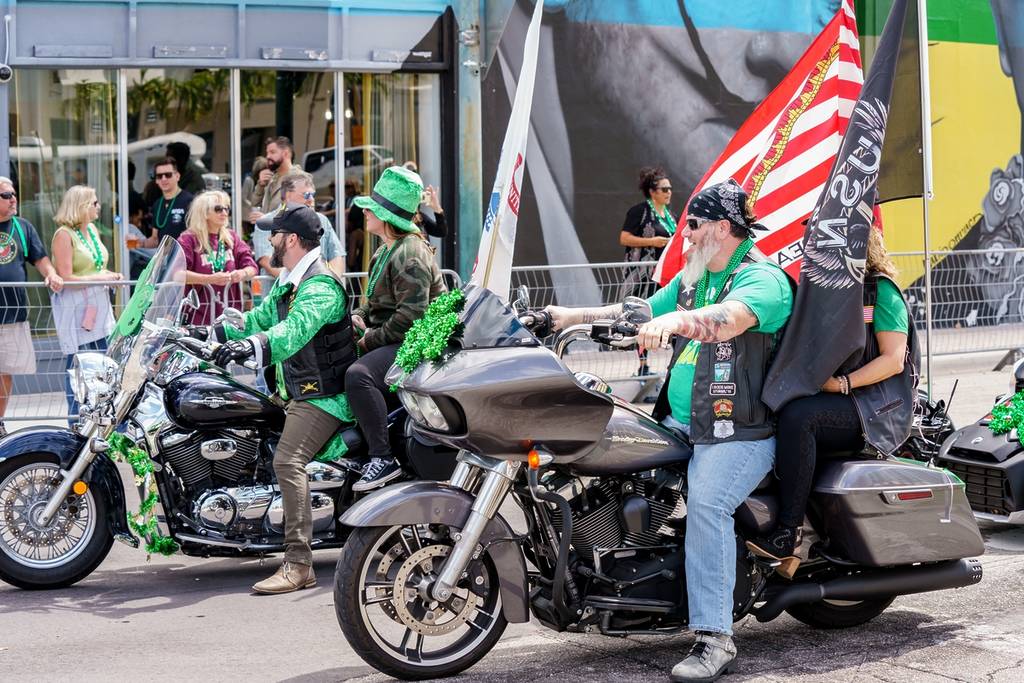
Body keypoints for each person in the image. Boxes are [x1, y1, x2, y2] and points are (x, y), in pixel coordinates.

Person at [544, 180, 793, 683]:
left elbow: (726, 322)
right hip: (685, 422)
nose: (686, 235)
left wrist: (679, 322)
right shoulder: (695, 280)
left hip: (739, 432)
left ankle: (715, 638)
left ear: (722, 228)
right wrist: (563, 315)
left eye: (693, 225)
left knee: (707, 503)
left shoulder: (763, 279)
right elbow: (637, 310)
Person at [191, 204, 357, 594]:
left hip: (323, 397)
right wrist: (211, 332)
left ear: (293, 240)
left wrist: (252, 345)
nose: (270, 240)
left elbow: (292, 332)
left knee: (288, 460)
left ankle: (299, 564)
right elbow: (260, 319)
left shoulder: (320, 286)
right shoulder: (289, 281)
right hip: (294, 391)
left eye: (275, 234)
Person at [747, 225, 917, 574]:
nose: (810, 247)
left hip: (875, 406)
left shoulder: (880, 291)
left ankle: (788, 535)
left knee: (800, 417)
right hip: (841, 398)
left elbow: (894, 359)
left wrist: (842, 383)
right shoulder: (821, 293)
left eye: (821, 241)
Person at [347, 166, 446, 491]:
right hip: (401, 336)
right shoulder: (385, 249)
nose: (364, 211)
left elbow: (411, 318)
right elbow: (375, 302)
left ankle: (382, 458)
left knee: (358, 376)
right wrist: (358, 316)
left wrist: (367, 340)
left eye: (372, 208)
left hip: (419, 343)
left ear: (387, 216)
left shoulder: (410, 253)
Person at [51, 186, 123, 422]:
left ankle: (100, 421)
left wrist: (111, 275)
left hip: (98, 310)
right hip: (76, 312)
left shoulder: (91, 230)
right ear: (81, 206)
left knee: (102, 365)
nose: (98, 207)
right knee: (78, 369)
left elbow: (96, 268)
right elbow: (66, 278)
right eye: (93, 203)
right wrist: (102, 278)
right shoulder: (63, 234)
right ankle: (76, 421)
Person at [0, 177, 63, 436]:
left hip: (13, 315)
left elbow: (40, 258)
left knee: (5, 374)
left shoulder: (22, 227)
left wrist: (51, 274)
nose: (14, 198)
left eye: (14, 193)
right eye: (6, 195)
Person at [178, 191, 257, 325]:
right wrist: (209, 279)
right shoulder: (188, 239)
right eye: (218, 209)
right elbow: (177, 274)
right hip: (197, 317)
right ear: (204, 212)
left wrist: (242, 273)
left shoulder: (231, 237)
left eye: (227, 208)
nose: (224, 212)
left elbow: (252, 267)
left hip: (230, 317)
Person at [253, 172, 346, 276]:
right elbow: (267, 261)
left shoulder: (322, 220)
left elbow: (337, 255)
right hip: (283, 289)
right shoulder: (266, 222)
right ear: (288, 196)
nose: (311, 200)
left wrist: (329, 283)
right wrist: (299, 283)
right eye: (306, 195)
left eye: (313, 195)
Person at [620, 166, 674, 299]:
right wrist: (651, 242)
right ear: (652, 192)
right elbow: (624, 238)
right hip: (640, 273)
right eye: (665, 189)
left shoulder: (671, 216)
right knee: (636, 306)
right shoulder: (639, 211)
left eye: (670, 189)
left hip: (662, 272)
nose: (669, 193)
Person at [144, 157, 194, 247]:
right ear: (156, 180)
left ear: (177, 176)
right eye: (159, 176)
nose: (163, 179)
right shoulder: (157, 204)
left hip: (184, 257)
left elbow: (195, 235)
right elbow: (155, 239)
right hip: (164, 258)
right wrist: (139, 243)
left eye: (168, 175)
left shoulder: (190, 201)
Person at [249, 136, 302, 220]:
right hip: (267, 232)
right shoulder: (272, 178)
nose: (268, 156)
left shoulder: (299, 179)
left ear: (286, 153)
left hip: (287, 232)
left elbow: (298, 213)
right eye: (267, 153)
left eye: (272, 152)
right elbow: (255, 205)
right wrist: (261, 185)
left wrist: (266, 218)